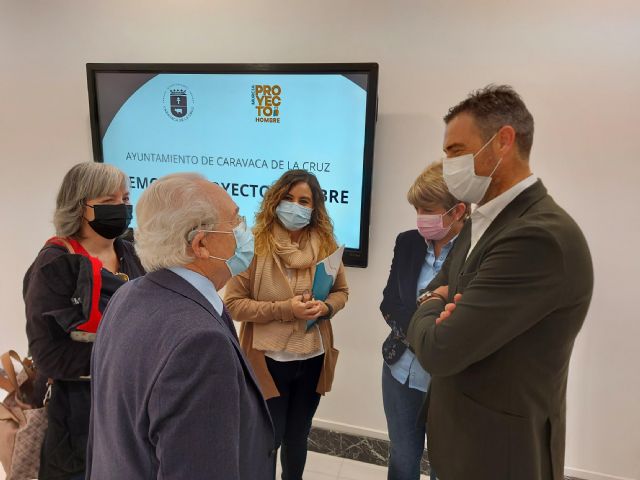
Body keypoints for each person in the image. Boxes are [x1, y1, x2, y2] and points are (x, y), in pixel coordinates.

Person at [407, 85, 594, 480]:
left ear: (503, 142)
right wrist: (440, 298)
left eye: (456, 151)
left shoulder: (537, 237)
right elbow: (441, 282)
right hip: (462, 442)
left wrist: (429, 303)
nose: (447, 164)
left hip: (499, 455)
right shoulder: (482, 221)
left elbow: (440, 350)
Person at [86, 173, 275, 480]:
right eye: (235, 220)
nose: (245, 230)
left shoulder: (126, 295)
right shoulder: (201, 344)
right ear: (201, 244)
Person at [23, 162, 145, 480]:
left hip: (131, 407)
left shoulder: (133, 253)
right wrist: (127, 355)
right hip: (79, 418)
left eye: (125, 198)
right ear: (79, 207)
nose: (121, 207)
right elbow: (48, 356)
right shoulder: (55, 265)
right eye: (108, 201)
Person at [224, 169, 349, 480]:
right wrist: (286, 309)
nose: (295, 206)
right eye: (288, 198)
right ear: (275, 200)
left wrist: (326, 307)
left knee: (298, 437)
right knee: (268, 440)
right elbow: (233, 304)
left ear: (314, 207)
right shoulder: (253, 244)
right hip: (268, 361)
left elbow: (341, 292)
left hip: (313, 358)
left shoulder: (326, 244)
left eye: (304, 201)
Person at [380, 161, 467, 480]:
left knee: (446, 466)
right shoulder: (407, 242)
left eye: (428, 210)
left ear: (457, 211)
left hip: (450, 382)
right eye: (417, 209)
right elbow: (389, 301)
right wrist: (423, 338)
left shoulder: (476, 251)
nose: (420, 217)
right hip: (400, 373)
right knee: (402, 460)